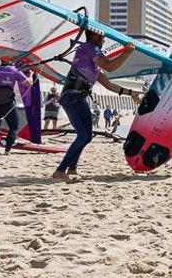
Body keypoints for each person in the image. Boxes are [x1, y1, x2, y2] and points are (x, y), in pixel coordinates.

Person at [54, 29, 144, 182]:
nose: (103, 40)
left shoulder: (92, 64)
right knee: (84, 135)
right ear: (94, 36)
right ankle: (60, 171)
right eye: (101, 37)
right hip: (72, 97)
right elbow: (110, 66)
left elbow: (109, 85)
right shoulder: (88, 47)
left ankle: (72, 169)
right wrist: (127, 52)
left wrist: (131, 93)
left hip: (78, 97)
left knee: (86, 136)